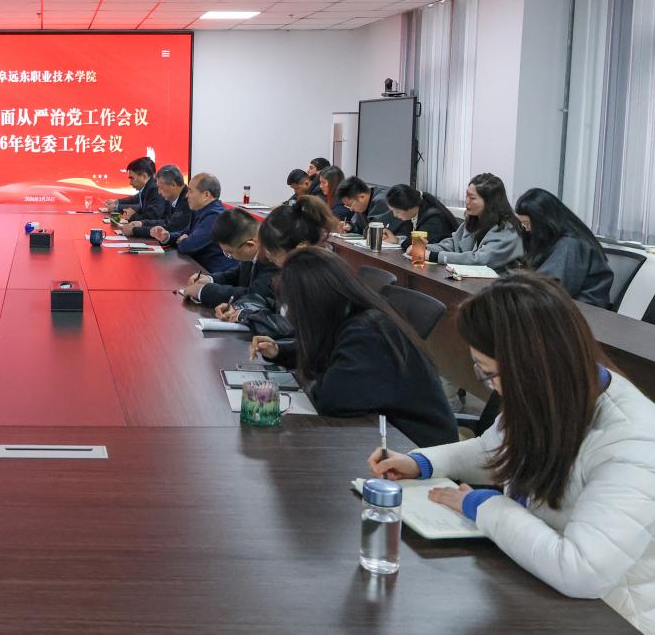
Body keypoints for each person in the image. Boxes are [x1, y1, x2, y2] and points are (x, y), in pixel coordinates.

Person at [368, 274, 655, 632]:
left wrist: (483, 505)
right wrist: (421, 462)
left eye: (490, 374)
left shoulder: (632, 442)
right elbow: (494, 449)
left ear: (531, 365)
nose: (491, 387)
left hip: (613, 615)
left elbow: (581, 571)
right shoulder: (552, 391)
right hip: (538, 584)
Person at [254, 247, 457, 447]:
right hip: (384, 434)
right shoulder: (350, 314)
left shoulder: (367, 332)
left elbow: (331, 400)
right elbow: (329, 350)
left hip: (413, 447)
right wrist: (280, 351)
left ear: (313, 302)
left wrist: (312, 376)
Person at [216, 195, 338, 325]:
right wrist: (239, 307)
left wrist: (244, 315)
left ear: (299, 248)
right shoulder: (294, 273)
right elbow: (272, 302)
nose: (269, 257)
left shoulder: (317, 278)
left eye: (273, 253)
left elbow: (291, 326)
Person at [514, 188, 614, 308]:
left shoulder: (571, 244)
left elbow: (551, 289)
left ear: (543, 220)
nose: (526, 229)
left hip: (582, 311)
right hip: (565, 307)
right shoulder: (554, 239)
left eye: (527, 224)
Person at [181, 208, 277, 308]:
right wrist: (209, 279)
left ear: (250, 245)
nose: (229, 256)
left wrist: (203, 291)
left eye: (229, 253)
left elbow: (254, 296)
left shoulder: (273, 257)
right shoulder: (253, 243)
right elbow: (237, 275)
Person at [426, 173, 524, 270]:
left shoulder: (507, 228)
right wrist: (424, 248)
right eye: (466, 196)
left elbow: (480, 260)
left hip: (500, 279)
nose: (467, 201)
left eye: (472, 198)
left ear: (490, 202)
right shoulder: (474, 218)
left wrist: (434, 256)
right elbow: (453, 244)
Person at [149, 173, 235, 273]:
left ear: (206, 195)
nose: (186, 195)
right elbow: (185, 233)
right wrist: (166, 236)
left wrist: (184, 240)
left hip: (214, 273)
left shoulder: (215, 216)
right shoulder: (200, 211)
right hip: (199, 267)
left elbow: (187, 246)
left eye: (190, 191)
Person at [122, 164, 190, 238]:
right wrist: (142, 223)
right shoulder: (174, 199)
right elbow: (166, 221)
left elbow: (170, 229)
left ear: (173, 185)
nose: (159, 192)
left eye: (161, 188)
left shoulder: (188, 200)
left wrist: (135, 231)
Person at [382, 184, 460, 248]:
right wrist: (396, 240)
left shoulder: (433, 218)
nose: (395, 215)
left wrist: (398, 241)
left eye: (397, 212)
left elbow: (414, 245)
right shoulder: (416, 212)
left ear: (409, 207)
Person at [337, 176, 411, 239]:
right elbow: (360, 227)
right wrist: (350, 227)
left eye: (350, 205)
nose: (351, 209)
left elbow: (372, 232)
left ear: (362, 197)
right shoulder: (363, 204)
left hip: (402, 244)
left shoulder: (383, 201)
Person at [110, 157, 166, 223]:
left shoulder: (155, 190)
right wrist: (118, 206)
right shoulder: (148, 188)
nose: (130, 183)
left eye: (132, 178)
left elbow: (152, 218)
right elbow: (141, 209)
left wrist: (133, 216)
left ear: (144, 176)